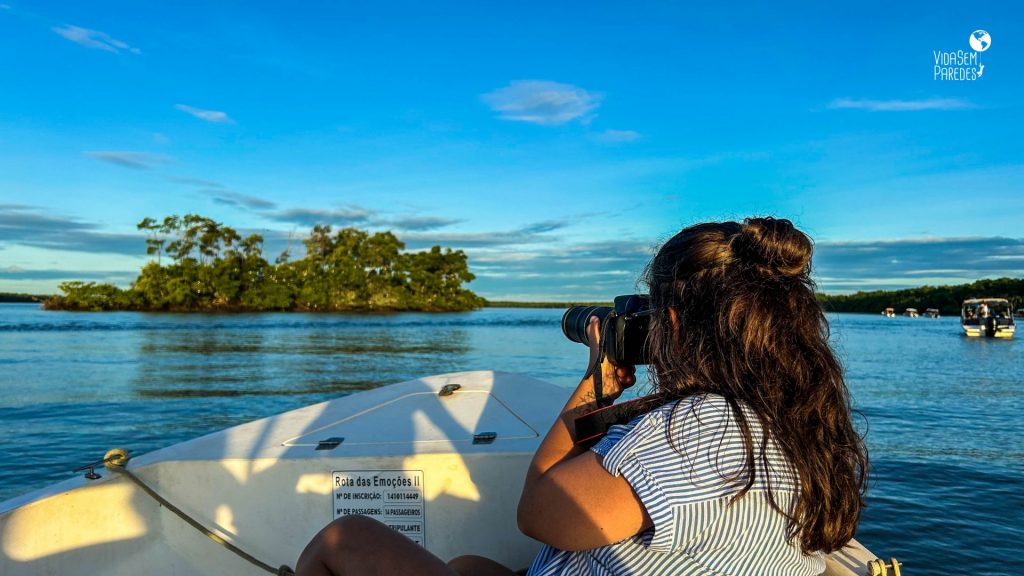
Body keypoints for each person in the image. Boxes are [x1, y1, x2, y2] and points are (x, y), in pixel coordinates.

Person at [295, 217, 868, 576]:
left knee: (345, 537)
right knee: (469, 565)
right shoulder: (795, 419)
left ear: (668, 319)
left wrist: (597, 379)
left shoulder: (696, 430)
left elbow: (539, 513)